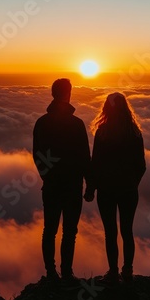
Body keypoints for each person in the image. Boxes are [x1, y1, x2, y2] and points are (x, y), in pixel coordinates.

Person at [33, 78, 91, 284]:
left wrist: (47, 176)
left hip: (51, 186)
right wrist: (90, 185)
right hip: (72, 186)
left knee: (50, 230)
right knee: (69, 232)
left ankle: (51, 273)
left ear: (52, 94)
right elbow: (85, 157)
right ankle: (66, 274)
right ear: (68, 93)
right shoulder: (76, 124)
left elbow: (37, 155)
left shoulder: (42, 123)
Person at [84, 92, 146, 284]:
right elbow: (141, 166)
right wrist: (132, 183)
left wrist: (91, 188)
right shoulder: (134, 133)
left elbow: (95, 163)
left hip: (106, 190)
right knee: (127, 231)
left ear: (106, 109)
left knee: (110, 232)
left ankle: (113, 272)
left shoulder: (102, 133)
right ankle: (127, 271)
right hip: (128, 190)